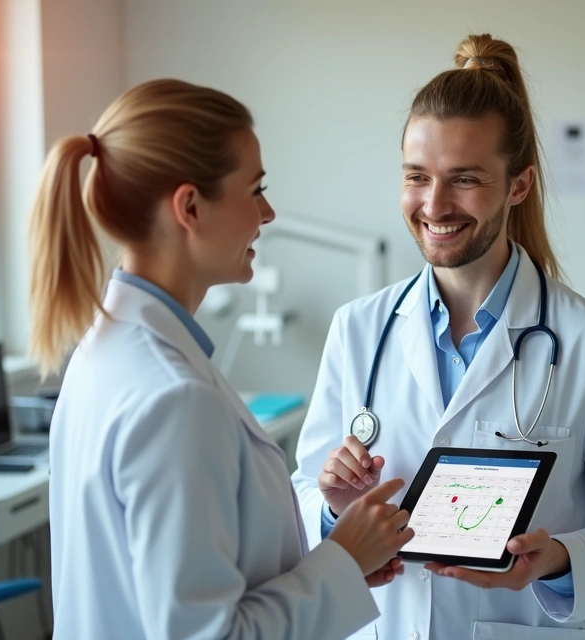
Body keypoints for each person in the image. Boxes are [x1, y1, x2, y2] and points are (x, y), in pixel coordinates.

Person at [291, 35, 585, 639]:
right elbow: (299, 500)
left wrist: (554, 560)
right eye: (416, 176)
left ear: (519, 184)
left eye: (465, 179)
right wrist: (330, 506)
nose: (434, 204)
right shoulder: (358, 329)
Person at [29, 78, 414, 640]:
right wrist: (345, 561)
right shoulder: (173, 396)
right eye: (254, 189)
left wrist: (338, 558)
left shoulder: (107, 351)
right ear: (189, 207)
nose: (269, 212)